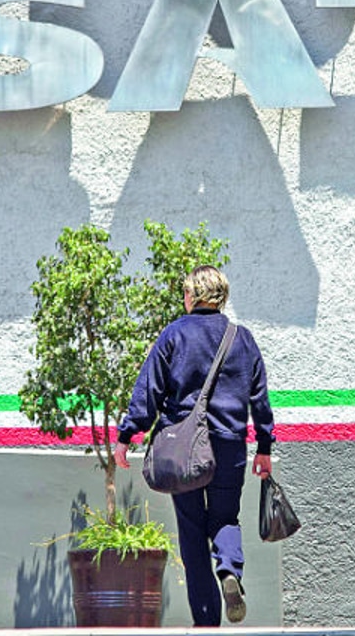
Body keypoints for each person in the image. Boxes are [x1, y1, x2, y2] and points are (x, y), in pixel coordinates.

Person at [114, 265, 275, 627]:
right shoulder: (242, 338)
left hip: (183, 449)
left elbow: (149, 391)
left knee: (191, 528)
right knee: (225, 518)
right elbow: (260, 398)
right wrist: (264, 445)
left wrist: (127, 435)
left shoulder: (174, 335)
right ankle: (229, 570)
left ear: (192, 295)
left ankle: (206, 622)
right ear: (221, 296)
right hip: (229, 445)